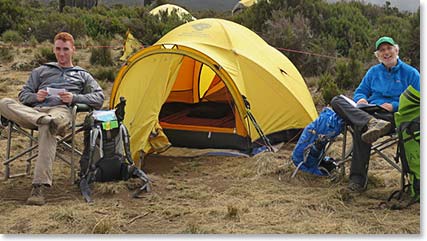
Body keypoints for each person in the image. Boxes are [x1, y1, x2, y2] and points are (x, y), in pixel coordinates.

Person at [0, 32, 104, 205]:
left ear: (73, 50)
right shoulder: (41, 71)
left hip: (60, 112)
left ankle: (38, 187)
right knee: (4, 102)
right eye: (58, 49)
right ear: (53, 49)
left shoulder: (82, 75)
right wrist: (35, 97)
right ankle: (43, 119)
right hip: (34, 113)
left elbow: (99, 98)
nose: (61, 54)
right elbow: (23, 95)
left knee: (50, 125)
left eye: (65, 49)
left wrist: (74, 98)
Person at [330, 36, 420, 193]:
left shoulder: (410, 73)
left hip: (393, 116)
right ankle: (369, 122)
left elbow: (419, 99)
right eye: (382, 50)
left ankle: (357, 181)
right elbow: (360, 91)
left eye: (389, 48)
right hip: (369, 111)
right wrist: (361, 99)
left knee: (361, 128)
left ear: (396, 50)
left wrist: (393, 106)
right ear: (378, 55)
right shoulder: (373, 72)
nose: (386, 52)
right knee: (337, 100)